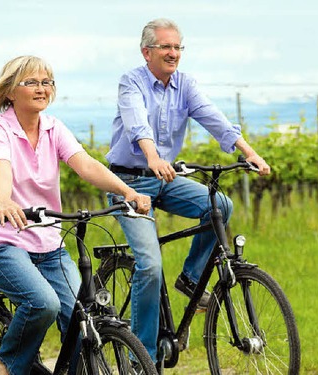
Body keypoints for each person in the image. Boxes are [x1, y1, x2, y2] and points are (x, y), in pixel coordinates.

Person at [105, 18, 271, 362]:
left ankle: (192, 280)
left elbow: (214, 118)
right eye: (166, 46)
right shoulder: (131, 83)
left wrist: (249, 152)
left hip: (165, 179)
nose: (173, 53)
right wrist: (152, 156)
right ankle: (143, 360)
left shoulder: (186, 85)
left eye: (178, 47)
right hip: (129, 183)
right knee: (149, 266)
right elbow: (137, 123)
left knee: (220, 206)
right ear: (146, 51)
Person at [0, 55, 151, 375]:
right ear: (11, 91)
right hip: (5, 243)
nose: (41, 88)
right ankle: (6, 361)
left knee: (80, 314)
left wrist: (127, 191)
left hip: (49, 244)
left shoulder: (54, 127)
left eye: (47, 82)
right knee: (44, 303)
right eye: (31, 82)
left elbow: (85, 165)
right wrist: (4, 200)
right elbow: (0, 168)